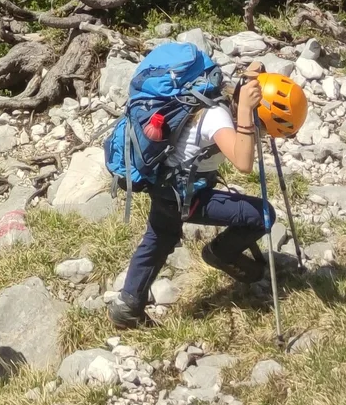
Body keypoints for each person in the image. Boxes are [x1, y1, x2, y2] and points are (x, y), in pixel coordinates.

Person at [107, 69, 302, 330]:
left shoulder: (218, 97)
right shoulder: (218, 117)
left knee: (159, 238)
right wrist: (247, 112)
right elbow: (244, 163)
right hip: (184, 195)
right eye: (265, 130)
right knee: (262, 215)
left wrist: (253, 77)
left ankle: (128, 306)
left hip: (167, 187)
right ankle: (221, 253)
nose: (263, 136)